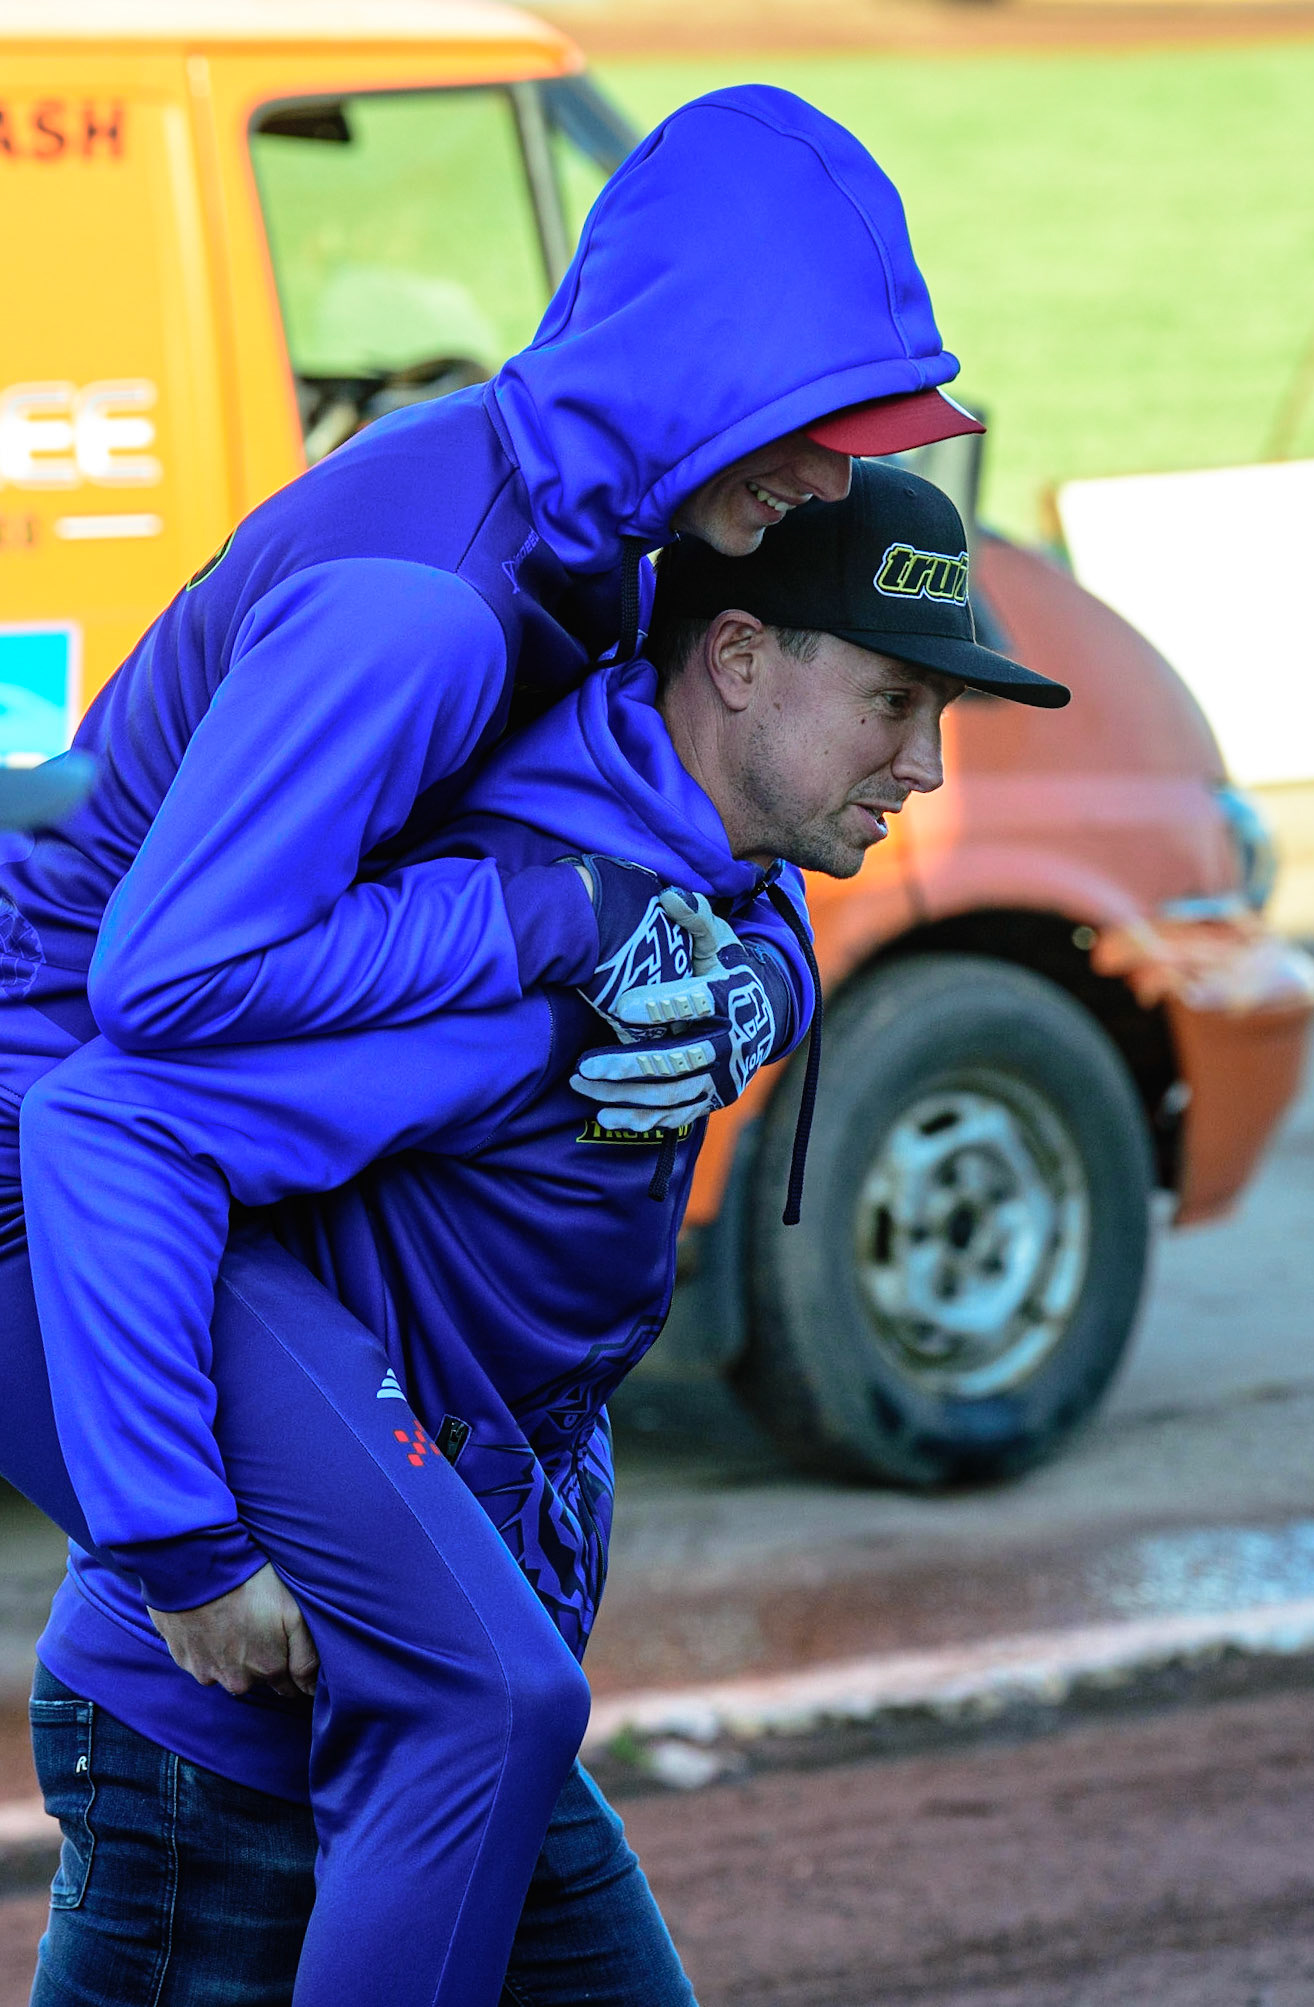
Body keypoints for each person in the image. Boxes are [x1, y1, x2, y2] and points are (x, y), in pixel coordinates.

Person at [1, 77, 990, 2005]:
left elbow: (683, 809)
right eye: (805, 435)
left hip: (133, 1109)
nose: (817, 484)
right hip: (47, 1129)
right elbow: (164, 1000)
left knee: (460, 1700)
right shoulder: (426, 611)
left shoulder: (604, 541)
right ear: (694, 369)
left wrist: (747, 972)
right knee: (475, 1692)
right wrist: (566, 932)